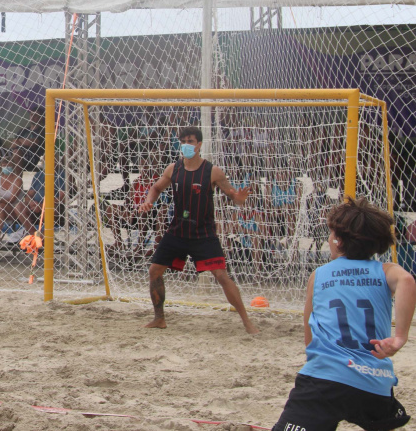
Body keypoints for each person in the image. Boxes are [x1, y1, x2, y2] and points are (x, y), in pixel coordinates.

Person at [272, 197, 415, 431]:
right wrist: (400, 337)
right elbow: (408, 281)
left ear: (338, 241)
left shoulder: (318, 276)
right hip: (373, 382)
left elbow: (310, 332)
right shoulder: (386, 270)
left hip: (325, 380)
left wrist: (315, 362)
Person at [139, 126, 259, 333]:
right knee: (154, 271)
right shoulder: (173, 169)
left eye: (191, 141)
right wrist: (148, 201)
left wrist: (239, 199)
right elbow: (156, 188)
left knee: (222, 276)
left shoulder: (212, 171)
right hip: (177, 231)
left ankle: (247, 322)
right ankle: (159, 318)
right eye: (183, 141)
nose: (186, 144)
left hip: (203, 233)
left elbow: (232, 194)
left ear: (199, 145)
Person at [0, 148, 24, 246]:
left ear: (13, 166)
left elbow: (12, 199)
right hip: (0, 207)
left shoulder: (18, 180)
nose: (6, 167)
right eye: (4, 165)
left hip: (14, 210)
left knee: (0, 206)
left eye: (8, 165)